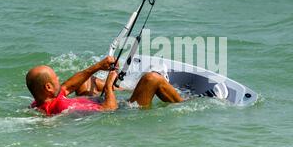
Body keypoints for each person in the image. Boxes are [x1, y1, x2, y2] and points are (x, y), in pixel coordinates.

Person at [25, 56, 183, 116]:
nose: (59, 79)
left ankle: (123, 88)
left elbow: (68, 86)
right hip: (123, 111)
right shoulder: (59, 105)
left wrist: (98, 66)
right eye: (55, 78)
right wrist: (108, 84)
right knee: (152, 78)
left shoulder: (39, 103)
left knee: (87, 81)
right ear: (48, 88)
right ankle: (185, 103)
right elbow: (109, 109)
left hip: (97, 101)